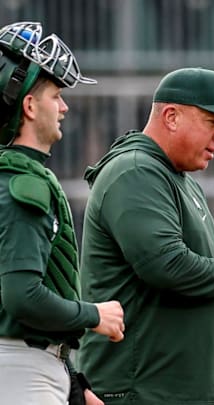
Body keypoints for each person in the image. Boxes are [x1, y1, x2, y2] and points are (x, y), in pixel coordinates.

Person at [76, 67, 214, 404]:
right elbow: (166, 266)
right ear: (171, 116)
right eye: (213, 122)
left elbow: (172, 289)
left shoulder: (179, 179)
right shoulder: (137, 170)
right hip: (142, 392)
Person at [0, 21, 126, 405]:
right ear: (30, 105)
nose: (64, 106)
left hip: (28, 366)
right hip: (19, 370)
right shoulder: (22, 183)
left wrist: (72, 380)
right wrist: (93, 315)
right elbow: (22, 297)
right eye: (56, 95)